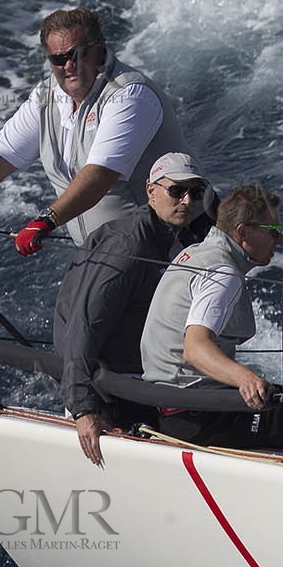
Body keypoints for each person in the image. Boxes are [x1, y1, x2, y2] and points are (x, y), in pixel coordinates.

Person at [0, 8, 190, 253]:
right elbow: (2, 155)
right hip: (105, 250)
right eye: (58, 58)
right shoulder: (47, 97)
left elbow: (99, 175)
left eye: (77, 54)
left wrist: (46, 221)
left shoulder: (130, 95)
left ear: (99, 51)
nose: (69, 65)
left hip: (161, 248)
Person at [142, 184, 283, 452]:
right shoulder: (223, 273)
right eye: (274, 232)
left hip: (168, 404)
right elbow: (195, 348)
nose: (280, 241)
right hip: (201, 415)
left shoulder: (192, 254)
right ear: (242, 232)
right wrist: (245, 378)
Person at [53, 153, 209, 466]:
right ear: (150, 191)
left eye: (196, 192)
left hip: (144, 376)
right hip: (109, 388)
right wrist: (84, 411)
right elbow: (84, 326)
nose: (188, 200)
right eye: (177, 191)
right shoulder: (128, 248)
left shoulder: (184, 233)